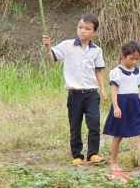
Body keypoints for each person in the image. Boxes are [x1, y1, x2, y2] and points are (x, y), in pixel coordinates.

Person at [42, 14, 108, 165]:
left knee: (94, 123)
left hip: (91, 93)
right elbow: (51, 58)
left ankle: (93, 154)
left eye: (87, 29)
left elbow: (99, 70)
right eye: (80, 27)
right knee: (75, 124)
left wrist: (103, 89)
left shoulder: (96, 50)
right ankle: (77, 155)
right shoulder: (67, 45)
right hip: (74, 94)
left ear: (94, 32)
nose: (82, 31)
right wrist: (47, 46)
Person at [103, 41, 140, 174]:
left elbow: (135, 87)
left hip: (135, 104)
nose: (134, 62)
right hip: (122, 104)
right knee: (118, 135)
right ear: (123, 56)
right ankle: (114, 162)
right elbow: (114, 90)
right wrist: (116, 107)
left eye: (137, 59)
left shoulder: (139, 72)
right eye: (131, 58)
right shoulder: (117, 72)